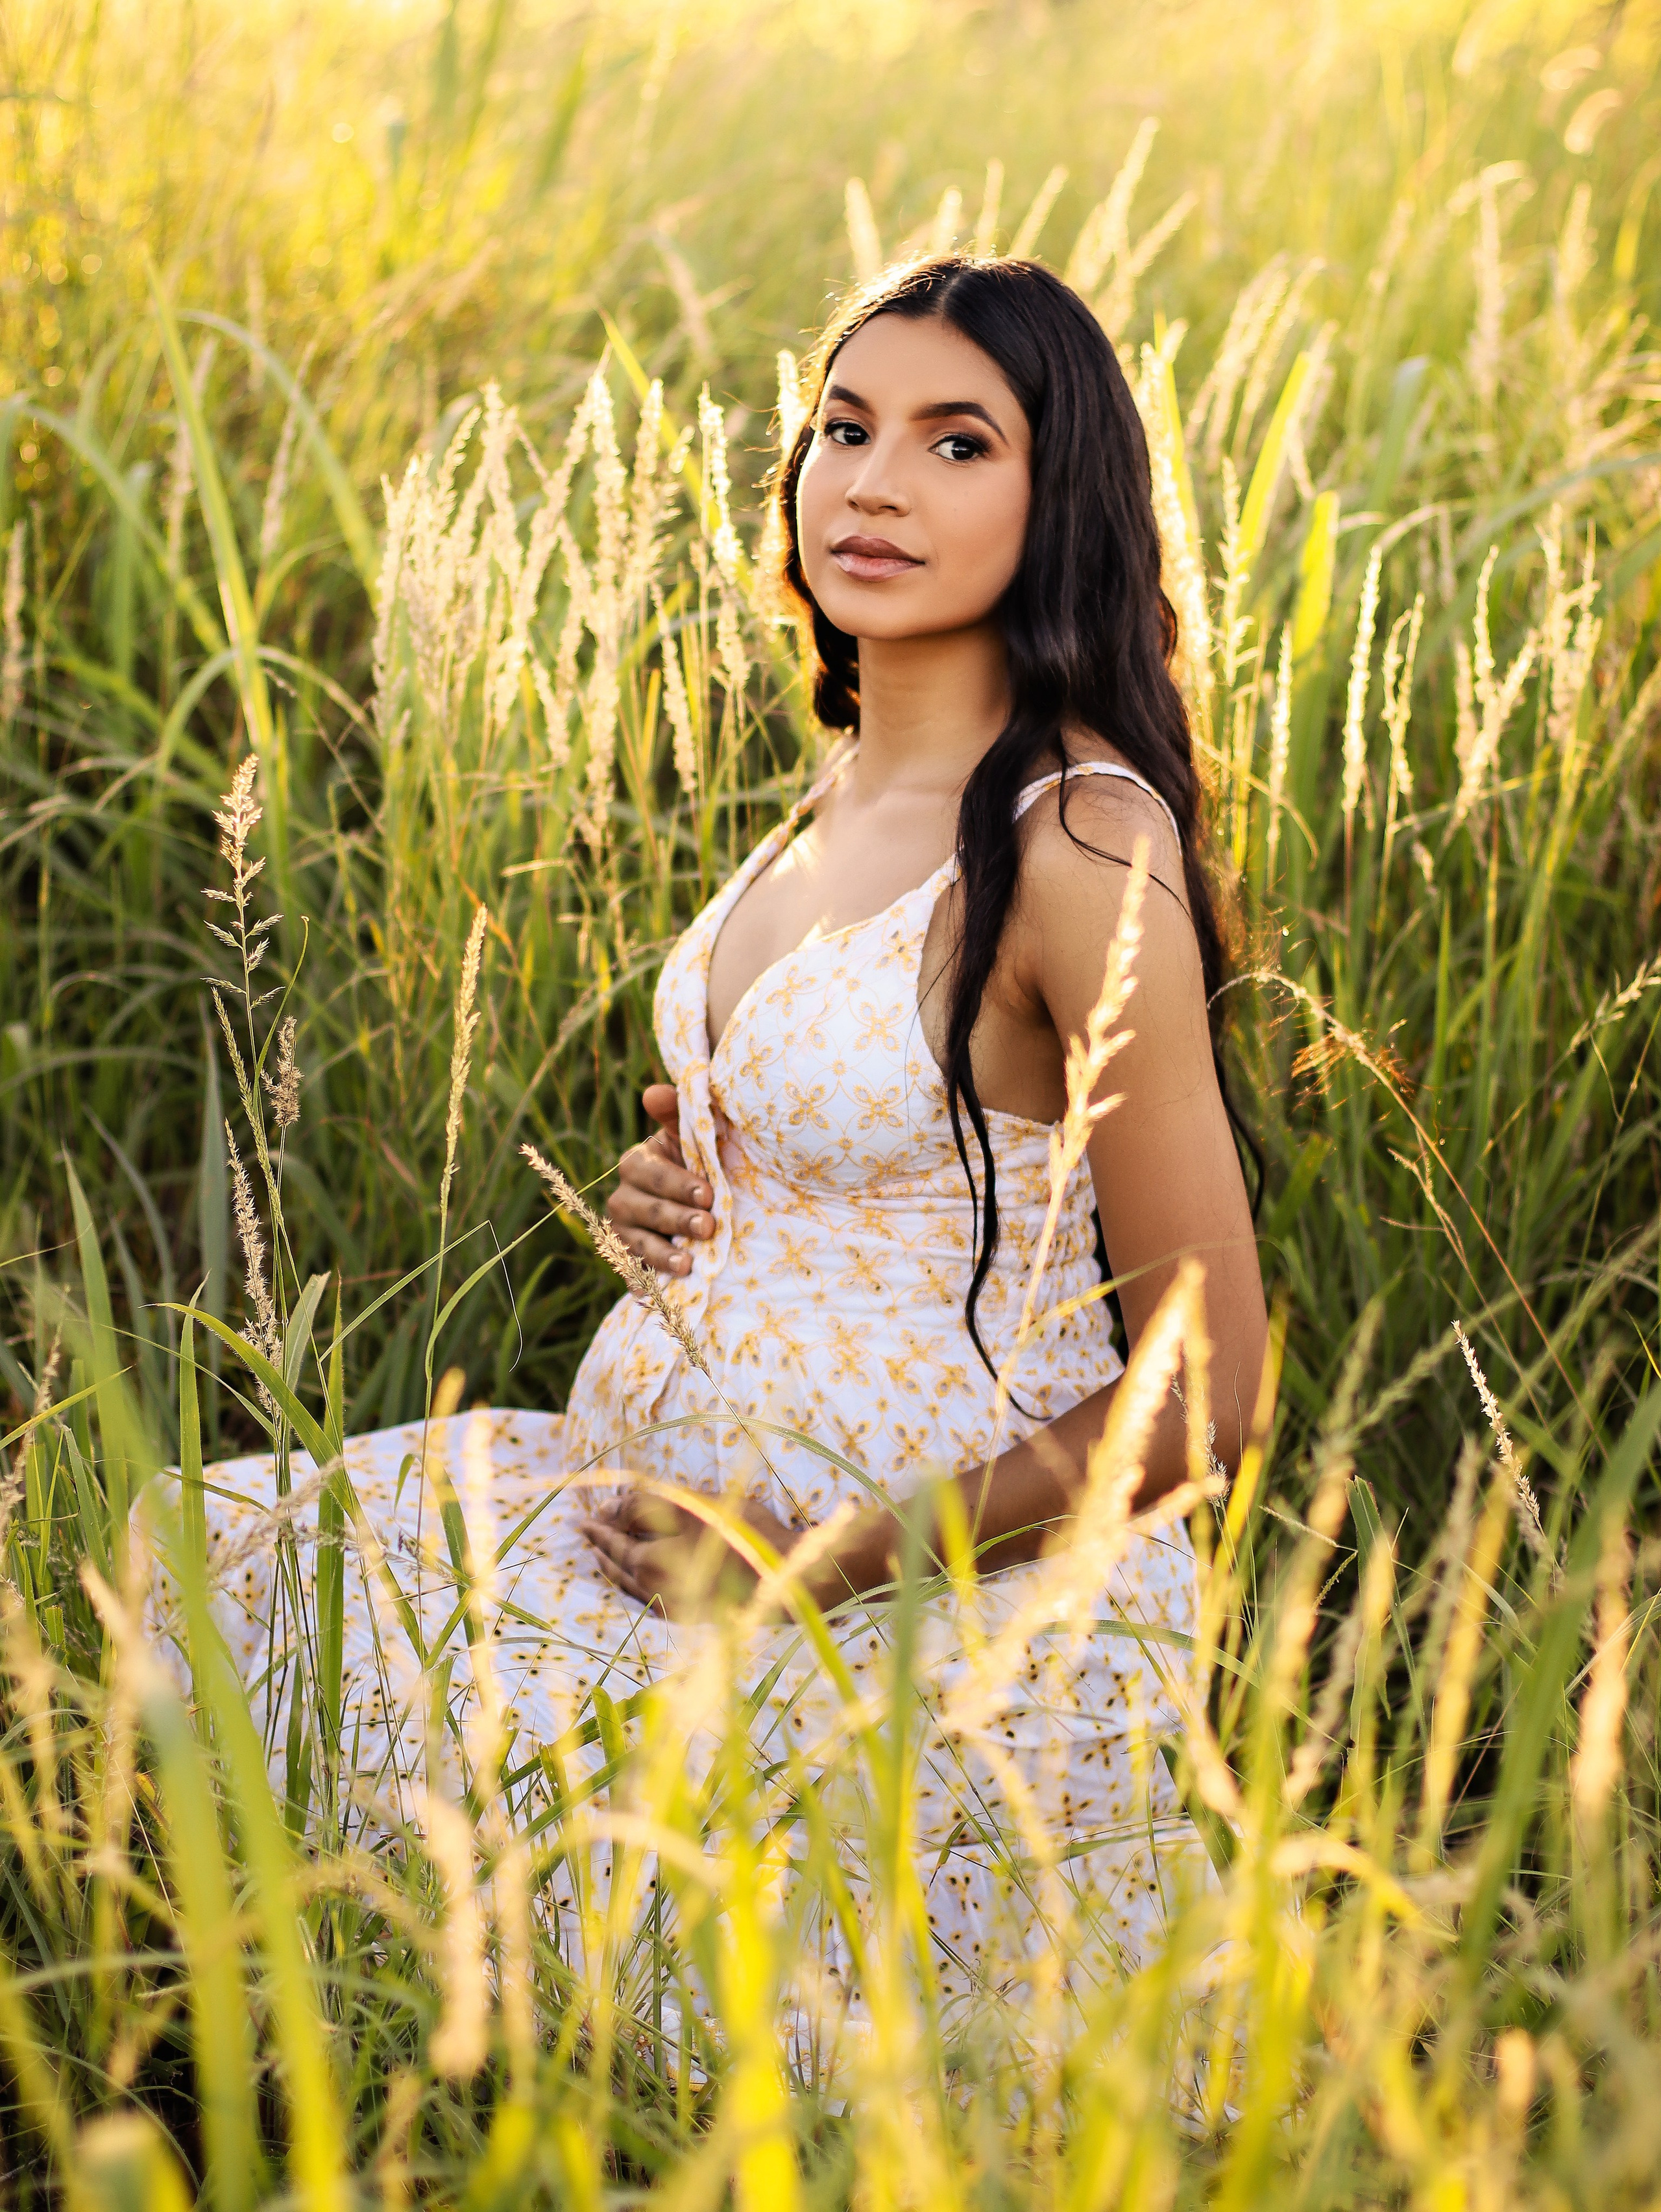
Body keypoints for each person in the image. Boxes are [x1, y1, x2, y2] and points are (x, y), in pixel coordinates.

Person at [200, 254, 1267, 2033]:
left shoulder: (1079, 837)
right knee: (184, 1559)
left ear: (1056, 493)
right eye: (845, 427)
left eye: (954, 442)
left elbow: (1212, 1382)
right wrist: (682, 1197)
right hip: (654, 1517)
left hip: (906, 1598)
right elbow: (873, 1161)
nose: (872, 480)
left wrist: (829, 1554)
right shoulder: (838, 795)